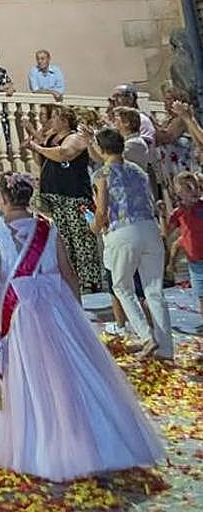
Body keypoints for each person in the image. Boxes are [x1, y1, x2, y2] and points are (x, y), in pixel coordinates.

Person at [0, 172, 165, 482]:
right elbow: (69, 273)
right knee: (73, 372)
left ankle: (44, 445)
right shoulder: (47, 227)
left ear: (3, 198)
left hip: (22, 312)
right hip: (57, 307)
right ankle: (99, 439)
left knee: (36, 377)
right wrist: (75, 311)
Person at [89, 128, 173, 360]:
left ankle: (146, 336)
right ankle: (165, 349)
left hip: (122, 232)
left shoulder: (101, 174)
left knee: (121, 287)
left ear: (101, 148)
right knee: (154, 290)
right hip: (149, 228)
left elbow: (102, 211)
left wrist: (94, 227)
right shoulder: (137, 170)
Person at [24, 105, 101, 294]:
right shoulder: (51, 137)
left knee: (81, 237)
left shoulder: (76, 137)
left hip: (74, 195)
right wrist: (35, 148)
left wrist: (37, 147)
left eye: (56, 117)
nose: (52, 120)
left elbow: (63, 154)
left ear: (65, 120)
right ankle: (70, 278)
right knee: (63, 239)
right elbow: (41, 160)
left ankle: (89, 280)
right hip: (54, 193)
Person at [165, 172, 203, 325]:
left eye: (192, 188)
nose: (191, 191)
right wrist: (162, 215)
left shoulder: (201, 206)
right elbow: (166, 232)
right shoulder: (178, 213)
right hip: (195, 261)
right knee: (201, 295)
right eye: (182, 190)